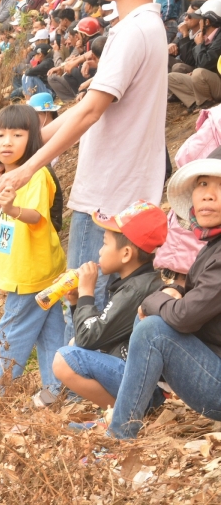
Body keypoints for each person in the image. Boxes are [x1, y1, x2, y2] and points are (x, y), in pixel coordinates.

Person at [0, 0, 175, 334]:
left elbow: (90, 112)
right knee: (89, 302)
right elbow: (85, 108)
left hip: (110, 195)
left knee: (88, 304)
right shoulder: (141, 26)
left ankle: (93, 388)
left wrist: (25, 170)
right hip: (117, 189)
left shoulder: (134, 30)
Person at [107, 156, 221, 439]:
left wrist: (153, 301)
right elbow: (202, 297)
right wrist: (175, 291)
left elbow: (185, 317)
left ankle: (120, 435)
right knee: (154, 318)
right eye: (203, 183)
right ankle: (133, 413)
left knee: (153, 330)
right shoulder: (211, 247)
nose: (209, 193)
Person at [52, 201, 166, 414]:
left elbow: (89, 337)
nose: (99, 251)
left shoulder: (135, 290)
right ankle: (122, 410)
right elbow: (90, 337)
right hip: (141, 377)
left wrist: (87, 293)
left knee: (63, 361)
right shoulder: (137, 282)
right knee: (73, 344)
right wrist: (78, 301)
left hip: (149, 388)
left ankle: (128, 413)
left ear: (125, 254)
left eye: (105, 244)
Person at [0, 104, 66, 398]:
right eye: (1, 134)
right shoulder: (6, 173)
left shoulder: (36, 174)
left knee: (13, 330)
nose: (7, 142)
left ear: (33, 140)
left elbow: (37, 216)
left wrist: (12, 209)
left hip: (30, 270)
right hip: (31, 266)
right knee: (51, 330)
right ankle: (55, 390)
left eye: (18, 135)